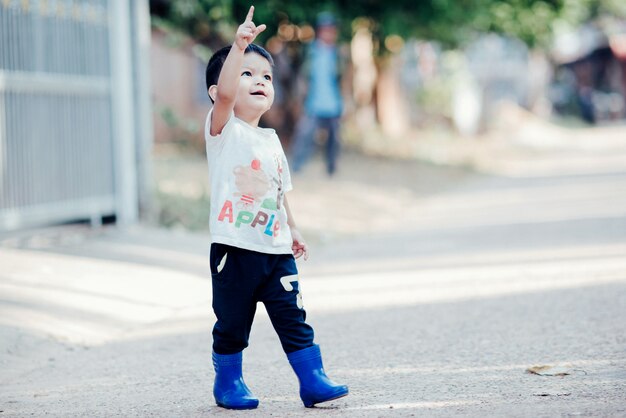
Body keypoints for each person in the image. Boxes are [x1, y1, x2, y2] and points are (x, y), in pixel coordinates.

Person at [203, 6, 349, 410]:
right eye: (247, 74)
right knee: (233, 323)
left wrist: (294, 229)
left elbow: (281, 190)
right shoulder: (222, 130)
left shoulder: (270, 139)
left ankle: (312, 379)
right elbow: (230, 93)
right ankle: (228, 382)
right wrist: (239, 47)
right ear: (217, 92)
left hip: (276, 249)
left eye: (266, 77)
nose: (260, 82)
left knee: (294, 317)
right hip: (235, 249)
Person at [290, 12, 345, 176]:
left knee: (334, 138)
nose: (329, 33)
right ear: (320, 31)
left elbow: (343, 79)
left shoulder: (338, 54)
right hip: (313, 102)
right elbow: (302, 77)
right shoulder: (310, 52)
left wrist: (346, 101)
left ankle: (331, 168)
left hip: (333, 103)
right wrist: (299, 98)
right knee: (305, 134)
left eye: (332, 30)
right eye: (326, 30)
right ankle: (296, 166)